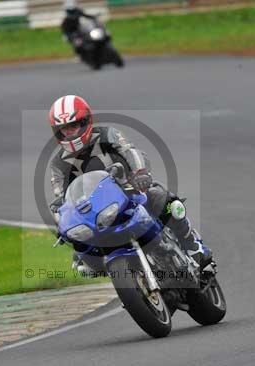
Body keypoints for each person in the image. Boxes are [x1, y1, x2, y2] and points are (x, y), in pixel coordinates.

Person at [48, 94, 215, 275]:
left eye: (73, 125)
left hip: (129, 190)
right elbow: (61, 196)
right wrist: (62, 219)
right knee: (82, 258)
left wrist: (140, 172)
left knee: (163, 200)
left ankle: (193, 244)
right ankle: (130, 279)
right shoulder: (58, 163)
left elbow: (130, 151)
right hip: (97, 212)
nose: (70, 132)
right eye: (64, 129)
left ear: (86, 121)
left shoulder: (106, 134)